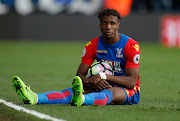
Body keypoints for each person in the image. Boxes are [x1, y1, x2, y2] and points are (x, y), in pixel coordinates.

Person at [12, 8, 140, 106]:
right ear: (99, 25)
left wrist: (102, 76)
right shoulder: (92, 45)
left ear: (118, 25)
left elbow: (131, 82)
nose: (108, 27)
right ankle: (35, 97)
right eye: (104, 23)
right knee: (74, 90)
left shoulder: (130, 46)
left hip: (128, 90)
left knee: (111, 93)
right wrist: (91, 82)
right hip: (100, 82)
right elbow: (79, 75)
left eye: (112, 23)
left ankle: (83, 99)